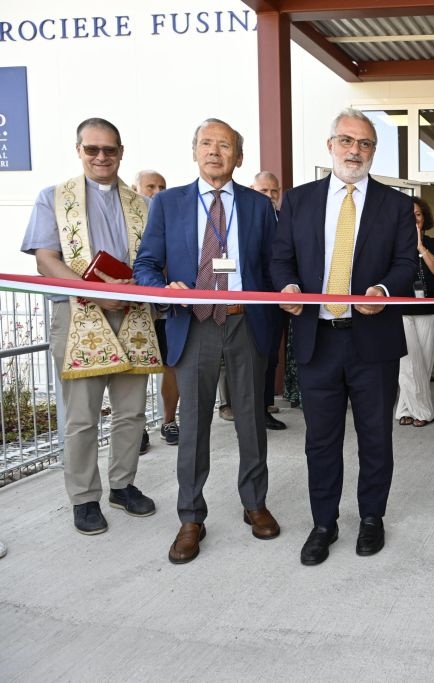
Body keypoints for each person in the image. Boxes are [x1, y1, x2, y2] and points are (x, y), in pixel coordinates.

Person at [271, 108, 417, 566]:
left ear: (374, 151)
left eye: (365, 143)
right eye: (348, 141)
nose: (355, 151)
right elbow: (281, 258)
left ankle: (372, 517)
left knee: (375, 437)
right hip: (318, 339)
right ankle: (323, 523)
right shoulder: (299, 200)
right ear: (331, 145)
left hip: (373, 339)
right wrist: (287, 286)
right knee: (320, 440)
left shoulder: (395, 205)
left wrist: (384, 291)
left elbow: (405, 264)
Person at [135, 118, 281, 564]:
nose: (214, 152)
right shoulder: (169, 203)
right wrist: (164, 289)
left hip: (244, 322)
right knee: (194, 424)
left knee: (251, 419)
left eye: (224, 145)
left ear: (239, 156)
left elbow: (275, 263)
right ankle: (191, 517)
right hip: (193, 322)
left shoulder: (258, 206)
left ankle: (254, 503)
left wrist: (288, 291)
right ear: (194, 151)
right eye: (206, 143)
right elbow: (146, 264)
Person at [21, 117, 161, 535]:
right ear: (78, 150)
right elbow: (45, 259)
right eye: (92, 149)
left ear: (121, 152)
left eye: (109, 149)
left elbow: (154, 257)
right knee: (82, 417)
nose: (101, 157)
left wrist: (138, 285)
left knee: (131, 412)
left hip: (133, 313)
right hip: (79, 313)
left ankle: (122, 485)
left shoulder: (142, 204)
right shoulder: (53, 197)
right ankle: (84, 498)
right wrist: (96, 293)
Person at [395, 197, 434, 427]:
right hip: (401, 310)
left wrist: (421, 248)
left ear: (424, 218)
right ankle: (424, 412)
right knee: (408, 363)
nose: (413, 219)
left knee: (424, 364)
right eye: (409, 215)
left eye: (417, 214)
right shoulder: (393, 244)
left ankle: (405, 410)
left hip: (429, 310)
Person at [131, 169, 170, 452]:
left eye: (161, 187)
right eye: (150, 187)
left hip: (165, 308)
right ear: (136, 189)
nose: (156, 192)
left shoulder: (169, 213)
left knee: (171, 365)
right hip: (133, 308)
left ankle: (169, 421)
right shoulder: (130, 216)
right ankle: (138, 428)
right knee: (136, 372)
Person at [250, 171, 287, 431]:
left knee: (271, 355)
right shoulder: (243, 219)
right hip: (251, 300)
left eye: (274, 191)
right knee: (251, 358)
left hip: (279, 299)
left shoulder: (286, 219)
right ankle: (248, 412)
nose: (270, 196)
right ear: (252, 190)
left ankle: (264, 408)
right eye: (263, 191)